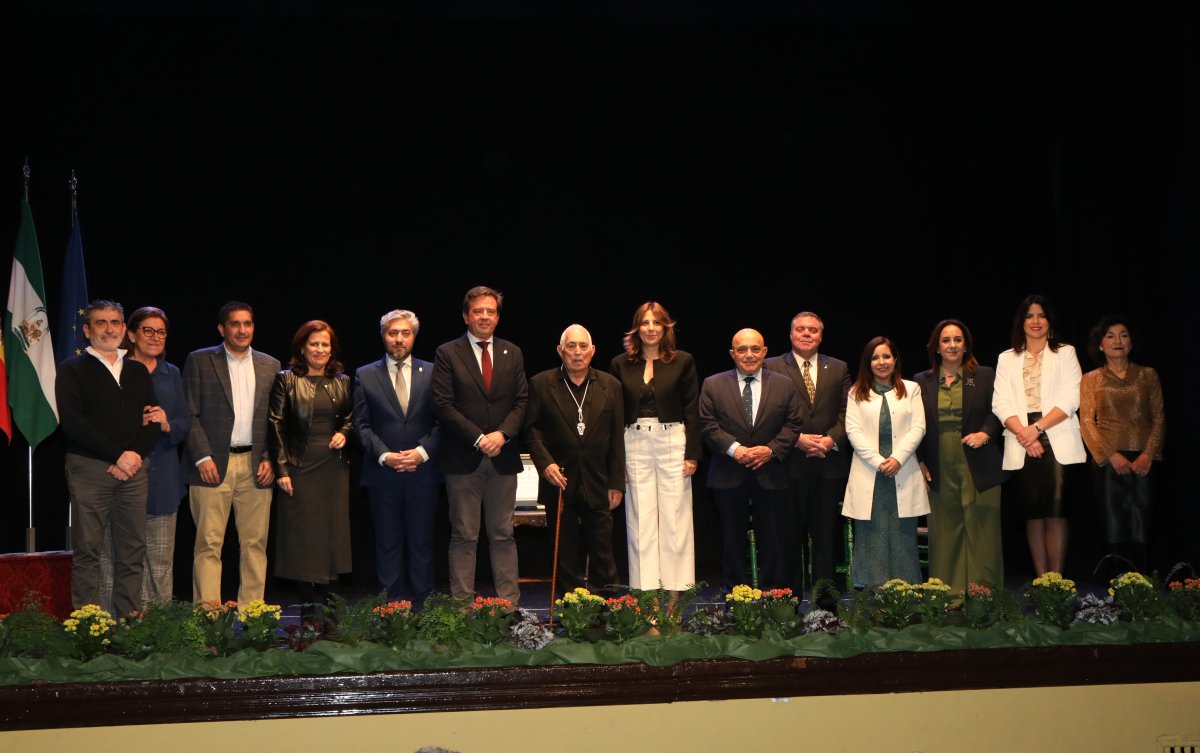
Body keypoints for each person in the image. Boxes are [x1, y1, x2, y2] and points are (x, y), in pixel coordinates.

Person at [55, 300, 159, 616]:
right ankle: (89, 629)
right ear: (88, 330)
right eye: (101, 323)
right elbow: (73, 423)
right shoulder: (71, 369)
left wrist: (134, 456)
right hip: (89, 469)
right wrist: (117, 456)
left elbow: (154, 418)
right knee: (88, 552)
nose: (109, 329)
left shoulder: (138, 370)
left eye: (115, 322)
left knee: (132, 551)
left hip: (134, 471)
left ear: (124, 329)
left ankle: (127, 624)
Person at [432, 286, 527, 606]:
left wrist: (502, 435)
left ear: (498, 317)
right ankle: (461, 609)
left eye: (490, 311)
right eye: (478, 311)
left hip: (503, 457)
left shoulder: (512, 352)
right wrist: (478, 438)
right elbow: (443, 405)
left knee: (503, 535)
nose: (484, 316)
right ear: (466, 316)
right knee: (464, 536)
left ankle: (509, 607)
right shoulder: (447, 352)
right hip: (462, 459)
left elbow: (522, 401)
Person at [183, 301, 281, 606]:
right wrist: (202, 456)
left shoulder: (271, 365)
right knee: (209, 545)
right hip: (212, 465)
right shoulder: (200, 361)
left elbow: (276, 419)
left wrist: (269, 457)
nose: (242, 330)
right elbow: (188, 413)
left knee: (255, 545)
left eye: (248, 324)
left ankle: (254, 618)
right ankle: (209, 620)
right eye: (235, 324)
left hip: (256, 465)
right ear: (222, 329)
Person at [99, 306, 191, 607]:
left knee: (160, 563)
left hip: (163, 479)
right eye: (148, 330)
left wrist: (166, 424)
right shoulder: (115, 369)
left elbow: (184, 423)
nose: (155, 337)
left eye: (161, 332)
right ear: (133, 334)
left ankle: (157, 629)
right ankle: (112, 627)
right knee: (115, 559)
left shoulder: (172, 373)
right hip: (121, 476)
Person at [524, 325, 625, 594]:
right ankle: (572, 613)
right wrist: (545, 463)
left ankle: (609, 612)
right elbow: (531, 431)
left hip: (599, 481)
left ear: (592, 351)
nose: (577, 353)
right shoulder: (540, 384)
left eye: (583, 347)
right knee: (563, 553)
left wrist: (616, 482)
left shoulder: (611, 385)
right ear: (560, 351)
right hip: (559, 480)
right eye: (571, 347)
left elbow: (617, 439)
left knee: (603, 551)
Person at [698, 328, 802, 589]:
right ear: (732, 353)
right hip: (728, 474)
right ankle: (736, 602)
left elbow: (793, 424)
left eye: (755, 349)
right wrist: (735, 449)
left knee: (773, 542)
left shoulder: (784, 384)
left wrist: (770, 450)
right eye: (742, 349)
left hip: (772, 474)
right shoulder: (713, 383)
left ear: (764, 352)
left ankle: (773, 599)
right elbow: (708, 425)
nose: (749, 355)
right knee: (732, 543)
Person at [992, 294, 1086, 577]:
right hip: (1021, 437)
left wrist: (1037, 429)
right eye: (1030, 316)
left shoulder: (1065, 352)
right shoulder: (1006, 358)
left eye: (1041, 315)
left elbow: (1072, 398)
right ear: (1021, 322)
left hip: (1056, 435)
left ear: (1049, 321)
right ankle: (1041, 581)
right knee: (1032, 514)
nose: (1035, 321)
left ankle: (1057, 583)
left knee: (1056, 513)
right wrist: (1024, 434)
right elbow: (1000, 403)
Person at [609, 301, 700, 596]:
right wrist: (617, 461)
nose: (651, 329)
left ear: (666, 328)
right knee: (640, 523)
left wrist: (692, 454)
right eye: (645, 323)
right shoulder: (620, 364)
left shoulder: (682, 361)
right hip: (633, 441)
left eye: (656, 323)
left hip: (672, 440)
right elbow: (614, 416)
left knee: (676, 522)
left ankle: (674, 600)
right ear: (637, 328)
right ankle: (646, 603)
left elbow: (692, 410)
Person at [353, 309, 441, 606]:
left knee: (422, 544)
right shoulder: (365, 375)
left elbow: (444, 421)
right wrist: (386, 456)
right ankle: (390, 614)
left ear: (414, 336)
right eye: (393, 333)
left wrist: (420, 452)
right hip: (383, 476)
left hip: (423, 473)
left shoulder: (433, 372)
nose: (399, 339)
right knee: (387, 545)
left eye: (405, 333)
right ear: (383, 336)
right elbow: (361, 425)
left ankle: (424, 611)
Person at [914, 320, 1006, 593]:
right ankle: (948, 594)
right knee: (945, 529)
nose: (952, 345)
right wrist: (918, 461)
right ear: (937, 347)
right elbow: (913, 424)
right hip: (938, 461)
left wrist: (985, 434)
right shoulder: (922, 381)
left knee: (983, 529)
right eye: (946, 340)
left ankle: (984, 594)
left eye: (958, 339)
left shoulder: (985, 375)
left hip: (979, 459)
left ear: (966, 345)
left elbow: (1000, 410)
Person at [268, 320, 354, 612]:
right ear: (302, 348)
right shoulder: (286, 379)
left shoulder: (343, 381)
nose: (320, 349)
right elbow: (276, 425)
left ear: (332, 349)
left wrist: (345, 431)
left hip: (334, 469)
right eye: (314, 344)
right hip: (299, 468)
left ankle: (331, 616)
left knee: (332, 538)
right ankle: (306, 616)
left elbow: (352, 416)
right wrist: (281, 470)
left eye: (325, 344)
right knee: (304, 542)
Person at [764, 311, 852, 593]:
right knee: (788, 538)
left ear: (821, 336)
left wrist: (830, 440)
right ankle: (788, 604)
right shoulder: (771, 366)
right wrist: (796, 439)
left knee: (826, 538)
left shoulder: (838, 368)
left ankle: (826, 606)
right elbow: (765, 413)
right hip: (788, 466)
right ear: (791, 334)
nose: (806, 334)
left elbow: (847, 412)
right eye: (800, 329)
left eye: (812, 330)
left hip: (828, 465)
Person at [1079, 315, 1165, 573]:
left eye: (1123, 335)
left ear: (1131, 343)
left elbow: (1158, 417)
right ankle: (1114, 589)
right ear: (1100, 345)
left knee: (1142, 526)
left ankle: (1144, 589)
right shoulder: (1091, 378)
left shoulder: (1148, 375)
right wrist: (1110, 456)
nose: (1118, 340)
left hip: (1143, 461)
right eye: (1110, 336)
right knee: (1112, 526)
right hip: (1108, 463)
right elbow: (1086, 421)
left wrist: (1148, 454)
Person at [843, 337, 928, 587]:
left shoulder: (911, 389)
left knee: (903, 537)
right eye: (875, 357)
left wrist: (897, 459)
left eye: (886, 356)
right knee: (871, 538)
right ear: (868, 363)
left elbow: (919, 427)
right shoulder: (855, 392)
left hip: (902, 471)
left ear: (895, 360)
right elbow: (853, 431)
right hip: (871, 472)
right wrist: (880, 462)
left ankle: (904, 597)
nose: (882, 362)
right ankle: (873, 598)